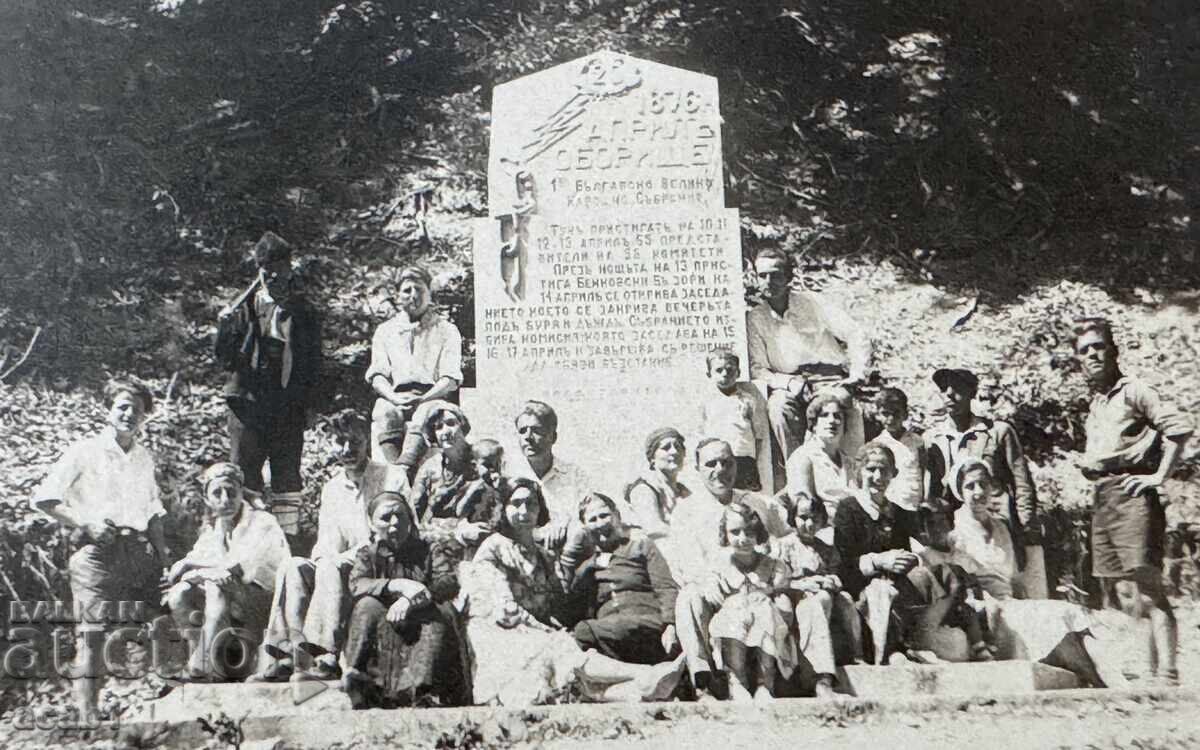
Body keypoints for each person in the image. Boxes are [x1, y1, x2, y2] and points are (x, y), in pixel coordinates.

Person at [31, 378, 169, 721]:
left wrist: (166, 559)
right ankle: (87, 716)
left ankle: (161, 704)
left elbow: (152, 513)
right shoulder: (84, 452)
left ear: (145, 417)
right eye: (122, 406)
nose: (129, 414)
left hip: (136, 552)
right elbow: (45, 499)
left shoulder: (143, 458)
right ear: (108, 410)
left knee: (163, 620)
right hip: (94, 551)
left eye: (137, 410)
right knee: (92, 633)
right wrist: (86, 523)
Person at [926, 458, 1128, 687]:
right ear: (960, 491)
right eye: (970, 486)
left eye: (983, 484)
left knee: (1070, 618)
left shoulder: (1001, 527)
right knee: (1057, 616)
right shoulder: (953, 531)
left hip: (1010, 603)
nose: (978, 492)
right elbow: (955, 579)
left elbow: (1012, 578)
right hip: (984, 611)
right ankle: (1100, 683)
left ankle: (1108, 681)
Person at [1075, 317, 1193, 685]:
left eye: (1099, 346)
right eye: (1084, 351)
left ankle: (1168, 673)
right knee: (1124, 590)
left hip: (1132, 494)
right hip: (1104, 496)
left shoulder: (1135, 391)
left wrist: (1159, 477)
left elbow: (1179, 428)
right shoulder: (1096, 404)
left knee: (1148, 585)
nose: (1093, 355)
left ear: (1114, 350)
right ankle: (1145, 670)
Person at [251, 410, 407, 682]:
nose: (347, 450)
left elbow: (399, 532)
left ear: (366, 442)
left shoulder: (391, 477)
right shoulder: (332, 488)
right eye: (339, 442)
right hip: (343, 565)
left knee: (331, 566)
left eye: (355, 442)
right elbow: (327, 542)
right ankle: (286, 654)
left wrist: (335, 560)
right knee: (294, 566)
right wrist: (323, 558)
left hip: (382, 563)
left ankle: (325, 656)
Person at [833, 444, 986, 666]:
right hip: (864, 588)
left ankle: (963, 641)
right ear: (859, 472)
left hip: (901, 583)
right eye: (871, 469)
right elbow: (844, 565)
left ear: (893, 474)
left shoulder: (898, 513)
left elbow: (926, 538)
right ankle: (895, 651)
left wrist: (909, 559)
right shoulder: (848, 510)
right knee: (883, 590)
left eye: (885, 470)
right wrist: (879, 561)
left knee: (949, 572)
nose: (878, 476)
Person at [214, 231, 322, 536]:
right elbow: (224, 358)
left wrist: (310, 406)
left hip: (287, 403)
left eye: (280, 271)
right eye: (267, 272)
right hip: (247, 404)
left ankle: (288, 544)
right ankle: (245, 539)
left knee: (287, 475)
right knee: (244, 476)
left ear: (290, 270)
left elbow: (314, 364)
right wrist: (224, 328)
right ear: (259, 271)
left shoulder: (304, 312)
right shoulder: (242, 309)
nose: (273, 278)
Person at [670, 439, 791, 700]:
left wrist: (778, 555)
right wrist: (705, 582)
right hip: (714, 591)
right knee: (688, 597)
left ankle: (769, 681)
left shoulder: (758, 503)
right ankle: (703, 682)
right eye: (711, 464)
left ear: (736, 465)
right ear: (698, 468)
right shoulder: (686, 511)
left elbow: (787, 538)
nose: (720, 469)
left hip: (757, 586)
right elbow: (684, 563)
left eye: (727, 462)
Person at [745, 247, 873, 486]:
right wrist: (789, 383)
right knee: (778, 406)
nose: (769, 282)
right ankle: (800, 478)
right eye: (762, 276)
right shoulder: (756, 318)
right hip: (791, 383)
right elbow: (757, 367)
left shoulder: (812, 302)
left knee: (836, 407)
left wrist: (857, 375)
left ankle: (846, 481)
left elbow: (855, 333)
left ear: (789, 277)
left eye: (776, 274)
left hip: (828, 379)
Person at [341, 491, 470, 708]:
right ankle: (363, 682)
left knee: (443, 611)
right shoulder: (368, 555)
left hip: (422, 615)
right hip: (384, 617)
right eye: (385, 518)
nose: (394, 523)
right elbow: (357, 584)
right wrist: (395, 585)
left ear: (410, 520)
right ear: (372, 524)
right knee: (366, 606)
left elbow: (448, 581)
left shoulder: (429, 550)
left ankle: (424, 690)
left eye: (400, 516)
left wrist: (415, 598)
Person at [164, 463, 290, 680]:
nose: (225, 499)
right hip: (234, 601)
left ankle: (202, 665)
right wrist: (190, 568)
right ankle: (212, 662)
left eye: (232, 492)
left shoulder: (262, 522)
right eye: (217, 493)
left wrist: (193, 569)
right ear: (207, 499)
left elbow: (238, 568)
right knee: (179, 594)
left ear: (242, 493)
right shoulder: (217, 527)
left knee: (216, 586)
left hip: (266, 607)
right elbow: (183, 568)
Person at [925, 367, 1044, 598]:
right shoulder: (934, 438)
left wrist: (1027, 525)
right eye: (944, 390)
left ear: (972, 393)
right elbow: (934, 492)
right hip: (960, 528)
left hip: (999, 526)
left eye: (957, 389)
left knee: (1008, 588)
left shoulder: (997, 432)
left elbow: (1022, 483)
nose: (949, 395)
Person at [366, 265, 464, 479]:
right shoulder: (385, 331)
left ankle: (406, 465)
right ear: (398, 296)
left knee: (427, 412)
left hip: (432, 395)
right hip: (396, 396)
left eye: (419, 290)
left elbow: (450, 378)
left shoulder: (446, 330)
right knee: (383, 410)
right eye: (407, 291)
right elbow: (378, 375)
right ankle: (393, 474)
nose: (414, 296)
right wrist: (394, 397)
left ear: (430, 293)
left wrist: (423, 398)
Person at [702, 502, 800, 703]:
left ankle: (766, 682)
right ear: (725, 534)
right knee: (735, 607)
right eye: (735, 532)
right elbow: (711, 588)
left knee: (764, 608)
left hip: (768, 628)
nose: (742, 539)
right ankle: (736, 681)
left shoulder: (773, 565)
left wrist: (770, 595)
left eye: (749, 532)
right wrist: (714, 589)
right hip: (733, 626)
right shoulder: (720, 565)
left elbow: (783, 593)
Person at [508, 400, 589, 549]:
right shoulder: (508, 475)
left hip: (567, 551)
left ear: (553, 437)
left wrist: (566, 523)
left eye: (536, 430)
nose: (528, 437)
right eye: (522, 431)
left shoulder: (574, 475)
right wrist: (536, 533)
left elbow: (589, 517)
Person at [699, 352, 771, 492]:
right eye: (719, 370)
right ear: (709, 374)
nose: (725, 373)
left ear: (738, 373)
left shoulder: (747, 400)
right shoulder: (706, 402)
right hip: (718, 459)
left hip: (743, 458)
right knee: (721, 491)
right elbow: (700, 432)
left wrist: (753, 458)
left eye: (730, 369)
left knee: (746, 496)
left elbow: (759, 434)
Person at [785, 392, 856, 525]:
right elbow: (804, 508)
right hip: (821, 529)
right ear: (814, 424)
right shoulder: (803, 458)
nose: (832, 421)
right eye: (824, 415)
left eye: (837, 416)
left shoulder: (848, 462)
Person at [410, 401, 475, 526]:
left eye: (451, 424)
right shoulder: (430, 467)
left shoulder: (480, 456)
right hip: (438, 532)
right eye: (438, 427)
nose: (445, 431)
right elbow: (414, 509)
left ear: (462, 426)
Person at [866, 388, 928, 519]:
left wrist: (924, 501)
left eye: (896, 413)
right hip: (890, 509)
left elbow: (923, 473)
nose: (891, 418)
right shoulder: (877, 445)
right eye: (885, 413)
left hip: (914, 506)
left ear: (905, 414)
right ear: (878, 414)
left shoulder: (918, 442)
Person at [623, 427, 691, 540]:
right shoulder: (643, 490)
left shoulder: (684, 492)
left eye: (678, 447)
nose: (674, 451)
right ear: (652, 459)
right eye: (666, 448)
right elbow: (654, 529)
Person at [453, 439, 508, 560]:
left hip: (495, 536)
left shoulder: (502, 486)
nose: (493, 469)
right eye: (487, 465)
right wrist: (473, 490)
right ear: (475, 466)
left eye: (496, 464)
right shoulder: (474, 486)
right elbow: (459, 511)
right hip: (475, 537)